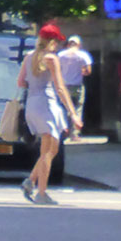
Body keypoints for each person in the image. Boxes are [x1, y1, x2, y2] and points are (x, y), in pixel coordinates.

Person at [17, 23, 83, 205]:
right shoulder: (51, 59)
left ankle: (30, 181)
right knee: (49, 150)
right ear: (52, 42)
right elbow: (61, 88)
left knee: (49, 150)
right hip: (47, 104)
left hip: (32, 104)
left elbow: (21, 82)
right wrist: (73, 113)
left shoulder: (28, 57)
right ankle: (41, 193)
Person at [58, 34, 92, 141]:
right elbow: (88, 71)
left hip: (63, 86)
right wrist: (81, 71)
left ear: (68, 44)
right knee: (77, 108)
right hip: (77, 85)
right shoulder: (83, 55)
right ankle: (74, 134)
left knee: (63, 108)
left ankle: (63, 131)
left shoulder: (61, 54)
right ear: (79, 45)